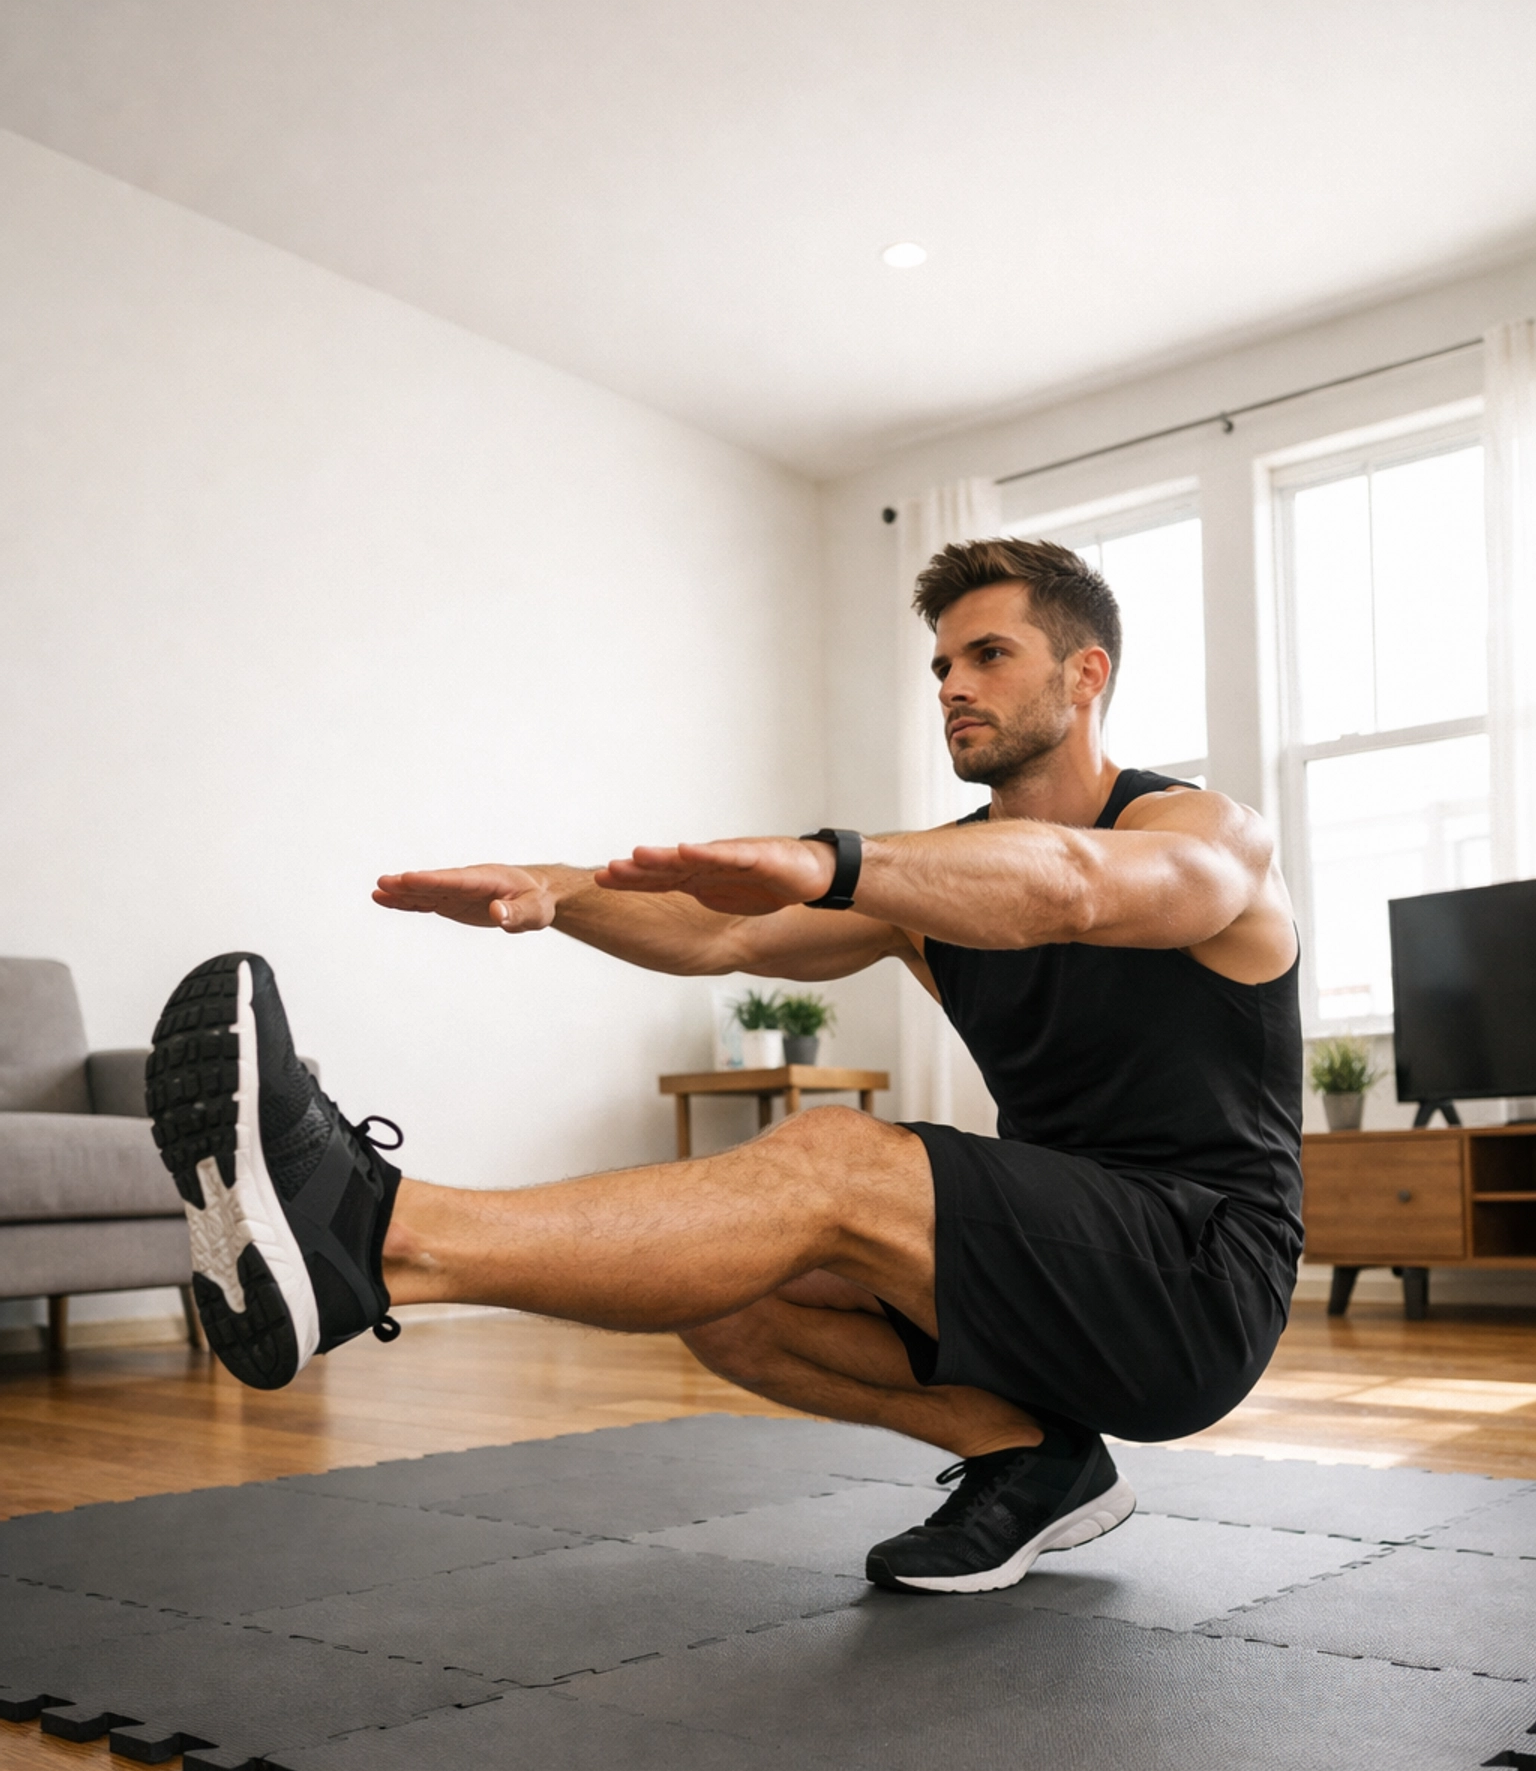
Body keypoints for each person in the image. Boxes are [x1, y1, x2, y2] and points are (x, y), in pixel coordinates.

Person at [147, 536, 1302, 1596]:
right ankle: (1037, 1462)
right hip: (1062, 1276)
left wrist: (832, 859)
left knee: (837, 1163)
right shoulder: (930, 886)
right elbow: (725, 933)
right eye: (942, 662)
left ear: (1086, 674)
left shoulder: (1208, 837)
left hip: (1199, 1283)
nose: (952, 684)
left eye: (989, 655)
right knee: (723, 1281)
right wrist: (557, 892)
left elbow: (1076, 886)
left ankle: (380, 1238)